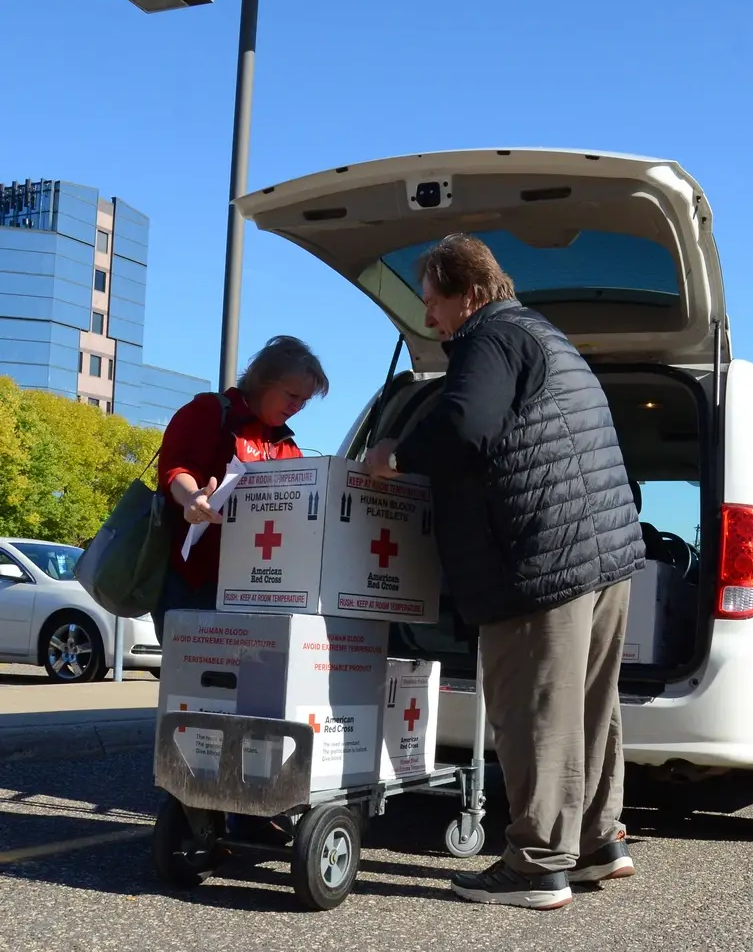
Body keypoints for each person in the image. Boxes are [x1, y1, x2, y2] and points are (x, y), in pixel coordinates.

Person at [365, 234, 646, 910]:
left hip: (538, 556)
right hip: (603, 550)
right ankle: (596, 841)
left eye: (433, 303)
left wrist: (396, 459)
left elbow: (466, 425)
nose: (429, 319)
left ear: (471, 293)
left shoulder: (490, 338)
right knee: (588, 703)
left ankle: (538, 864)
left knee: (535, 708)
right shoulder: (546, 336)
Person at [151, 335, 328, 641]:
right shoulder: (208, 413)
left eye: (304, 400)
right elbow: (176, 469)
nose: (297, 406)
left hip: (258, 595)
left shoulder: (288, 447)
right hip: (193, 586)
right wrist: (192, 498)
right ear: (262, 381)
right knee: (194, 685)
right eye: (291, 394)